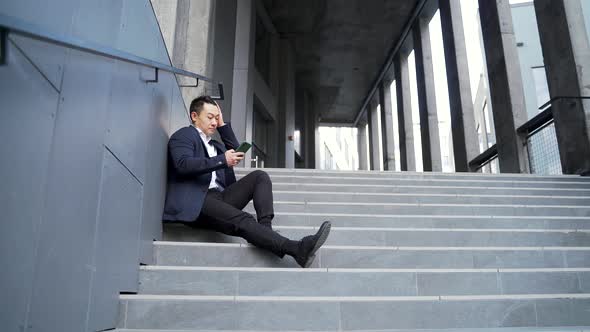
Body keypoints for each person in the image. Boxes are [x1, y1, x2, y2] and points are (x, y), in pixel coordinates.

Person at [162, 95, 331, 268]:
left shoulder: (215, 144)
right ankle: (297, 249)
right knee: (243, 219)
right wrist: (222, 160)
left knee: (259, 176)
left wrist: (222, 125)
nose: (214, 122)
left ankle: (265, 231)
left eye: (216, 118)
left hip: (219, 197)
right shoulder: (184, 135)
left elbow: (236, 150)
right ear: (194, 116)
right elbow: (183, 164)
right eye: (210, 117)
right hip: (197, 201)